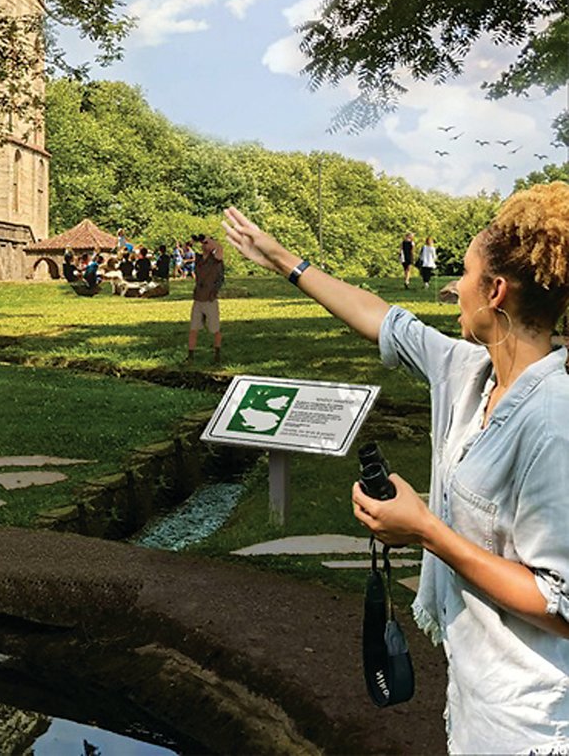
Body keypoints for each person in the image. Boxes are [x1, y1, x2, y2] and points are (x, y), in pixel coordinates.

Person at [222, 184, 569, 754]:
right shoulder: (466, 370)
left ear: (496, 292)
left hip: (531, 721)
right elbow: (383, 318)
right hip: (475, 693)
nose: (454, 287)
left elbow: (562, 605)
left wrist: (426, 530)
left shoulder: (553, 423)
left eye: (464, 274)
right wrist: (284, 260)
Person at [187, 233, 224, 364]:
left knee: (215, 328)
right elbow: (187, 247)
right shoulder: (198, 259)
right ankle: (190, 355)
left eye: (207, 243)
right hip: (198, 297)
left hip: (210, 298)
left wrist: (208, 240)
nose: (204, 245)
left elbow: (219, 248)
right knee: (193, 328)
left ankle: (217, 354)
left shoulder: (216, 260)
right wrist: (196, 240)